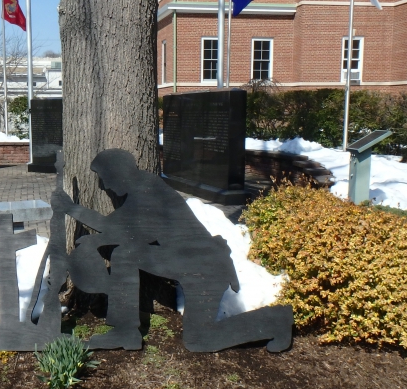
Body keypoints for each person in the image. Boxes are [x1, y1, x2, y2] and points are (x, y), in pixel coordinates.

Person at [55, 149, 291, 353]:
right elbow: (126, 230)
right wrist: (95, 237)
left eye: (105, 177)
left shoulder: (148, 191)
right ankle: (125, 332)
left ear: (119, 171)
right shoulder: (144, 189)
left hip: (204, 268)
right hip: (187, 262)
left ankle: (275, 321)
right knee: (125, 255)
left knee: (199, 340)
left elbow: (118, 228)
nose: (105, 185)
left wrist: (72, 209)